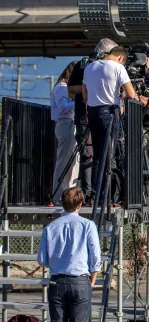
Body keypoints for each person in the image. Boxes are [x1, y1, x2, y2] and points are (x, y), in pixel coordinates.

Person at [37, 187, 101, 322]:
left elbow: (42, 259)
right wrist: (92, 278)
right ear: (80, 205)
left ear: (62, 204)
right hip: (80, 279)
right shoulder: (87, 225)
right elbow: (96, 257)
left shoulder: (50, 227)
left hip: (57, 279)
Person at [82, 45, 138, 204]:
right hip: (110, 112)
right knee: (109, 156)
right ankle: (105, 196)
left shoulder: (90, 67)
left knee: (98, 156)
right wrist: (121, 95)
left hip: (92, 112)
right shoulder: (118, 68)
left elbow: (85, 94)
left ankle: (95, 195)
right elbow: (132, 94)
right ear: (121, 58)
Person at [68, 38, 118, 205]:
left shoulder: (113, 69)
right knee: (88, 155)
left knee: (107, 155)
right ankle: (89, 193)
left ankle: (106, 194)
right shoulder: (83, 65)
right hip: (84, 116)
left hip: (104, 116)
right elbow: (70, 90)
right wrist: (86, 88)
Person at [50, 61, 79, 204]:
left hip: (69, 124)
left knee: (71, 161)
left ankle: (68, 194)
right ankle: (59, 195)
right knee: (64, 161)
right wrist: (79, 102)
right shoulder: (62, 87)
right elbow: (62, 107)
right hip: (65, 123)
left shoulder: (64, 87)